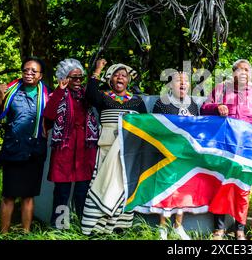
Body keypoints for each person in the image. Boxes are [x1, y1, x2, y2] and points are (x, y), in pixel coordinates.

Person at [201, 59, 252, 240]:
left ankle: (240, 229)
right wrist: (217, 107)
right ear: (233, 72)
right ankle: (219, 229)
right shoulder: (221, 89)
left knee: (243, 190)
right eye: (240, 69)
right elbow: (203, 108)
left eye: (248, 70)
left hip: (248, 150)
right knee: (222, 185)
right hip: (225, 147)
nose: (244, 72)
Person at [80, 59, 147, 234]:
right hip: (106, 148)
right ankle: (95, 227)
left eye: (123, 75)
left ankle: (119, 227)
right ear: (110, 80)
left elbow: (146, 125)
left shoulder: (137, 101)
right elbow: (89, 95)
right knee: (102, 184)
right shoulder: (103, 96)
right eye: (116, 75)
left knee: (123, 186)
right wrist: (98, 70)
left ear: (128, 81)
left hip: (128, 152)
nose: (120, 78)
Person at [0, 57, 49, 233]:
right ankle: (3, 233)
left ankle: (26, 232)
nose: (29, 73)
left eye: (33, 71)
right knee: (8, 196)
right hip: (13, 150)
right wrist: (0, 97)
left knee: (28, 196)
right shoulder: (11, 91)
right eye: (26, 70)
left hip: (34, 151)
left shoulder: (47, 94)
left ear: (40, 75)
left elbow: (54, 117)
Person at [43, 58, 99, 228]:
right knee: (62, 192)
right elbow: (49, 115)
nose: (78, 81)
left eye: (80, 78)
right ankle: (60, 226)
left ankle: (82, 225)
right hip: (65, 150)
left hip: (84, 148)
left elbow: (96, 96)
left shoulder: (86, 95)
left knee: (82, 191)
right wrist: (60, 91)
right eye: (73, 78)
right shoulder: (57, 94)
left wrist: (96, 72)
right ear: (64, 78)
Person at [151, 71, 199, 240]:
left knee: (184, 190)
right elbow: (156, 128)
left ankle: (178, 227)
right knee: (167, 190)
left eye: (186, 81)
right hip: (167, 154)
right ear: (170, 85)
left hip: (186, 155)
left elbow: (197, 129)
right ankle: (162, 228)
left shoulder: (193, 104)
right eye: (178, 80)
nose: (183, 83)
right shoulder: (162, 102)